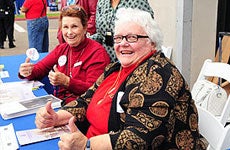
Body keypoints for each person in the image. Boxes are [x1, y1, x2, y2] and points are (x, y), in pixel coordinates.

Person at [35, 8, 204, 149]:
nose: (122, 44)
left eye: (132, 38)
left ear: (152, 42)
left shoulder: (158, 73)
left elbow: (139, 137)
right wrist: (56, 118)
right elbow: (86, 99)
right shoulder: (116, 68)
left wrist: (86, 145)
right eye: (118, 38)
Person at [19, 5, 110, 106]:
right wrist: (27, 71)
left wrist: (67, 82)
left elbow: (94, 91)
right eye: (65, 27)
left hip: (82, 108)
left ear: (84, 28)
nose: (69, 32)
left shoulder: (97, 54)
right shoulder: (62, 48)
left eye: (74, 27)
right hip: (59, 103)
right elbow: (40, 68)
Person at [90, 0, 154, 63]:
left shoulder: (137, 1)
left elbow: (147, 29)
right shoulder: (102, 2)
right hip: (107, 57)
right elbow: (100, 34)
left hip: (130, 55)